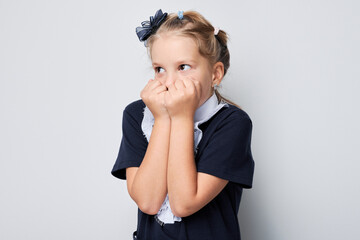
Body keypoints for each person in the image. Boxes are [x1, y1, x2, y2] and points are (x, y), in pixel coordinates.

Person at [111, 9, 255, 240]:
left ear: (216, 74)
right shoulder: (136, 115)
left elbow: (183, 203)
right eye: (160, 69)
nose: (169, 82)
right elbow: (148, 201)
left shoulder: (232, 123)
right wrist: (163, 118)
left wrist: (181, 117)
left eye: (183, 67)